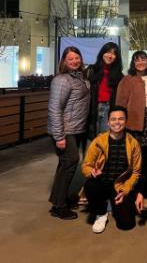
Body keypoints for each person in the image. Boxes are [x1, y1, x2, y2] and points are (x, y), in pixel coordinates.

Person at [81, 106, 141, 233]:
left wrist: (125, 190)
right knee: (90, 185)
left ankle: (121, 202)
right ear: (108, 122)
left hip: (119, 186)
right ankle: (101, 213)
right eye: (113, 119)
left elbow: (136, 172)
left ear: (126, 121)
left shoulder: (133, 143)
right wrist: (92, 171)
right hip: (101, 183)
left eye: (121, 119)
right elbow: (86, 165)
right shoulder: (98, 142)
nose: (117, 122)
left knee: (126, 225)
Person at [48, 46, 90, 220]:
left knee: (65, 164)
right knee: (70, 161)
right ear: (64, 61)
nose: (74, 61)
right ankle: (58, 206)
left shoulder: (80, 77)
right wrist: (59, 136)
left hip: (77, 128)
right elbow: (54, 108)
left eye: (77, 57)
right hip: (65, 130)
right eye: (70, 58)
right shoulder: (62, 80)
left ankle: (60, 198)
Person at [116, 51, 147, 174]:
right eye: (137, 60)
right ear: (133, 63)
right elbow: (120, 102)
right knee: (134, 153)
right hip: (134, 120)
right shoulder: (127, 79)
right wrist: (120, 121)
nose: (140, 62)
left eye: (143, 59)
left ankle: (144, 182)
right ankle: (131, 181)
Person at [86, 42, 124, 140]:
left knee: (105, 139)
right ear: (102, 53)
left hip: (109, 109)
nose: (110, 56)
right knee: (92, 141)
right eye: (107, 52)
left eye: (114, 53)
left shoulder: (119, 76)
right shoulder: (91, 71)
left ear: (117, 57)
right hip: (92, 108)